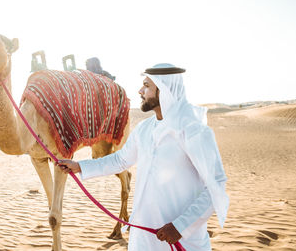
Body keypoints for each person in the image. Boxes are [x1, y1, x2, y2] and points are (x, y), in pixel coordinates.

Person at [57, 63, 229, 251]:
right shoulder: (144, 129)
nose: (140, 90)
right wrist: (80, 166)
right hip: (143, 238)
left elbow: (215, 186)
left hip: (182, 241)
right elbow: (120, 160)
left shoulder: (193, 131)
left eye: (147, 86)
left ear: (165, 90)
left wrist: (181, 227)